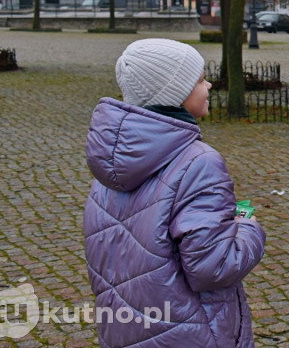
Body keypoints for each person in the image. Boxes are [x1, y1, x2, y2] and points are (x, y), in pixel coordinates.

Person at [83, 38, 265, 348]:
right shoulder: (199, 162)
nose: (208, 85)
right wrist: (248, 226)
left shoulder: (106, 171)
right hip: (193, 333)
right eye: (198, 80)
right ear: (173, 92)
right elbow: (214, 267)